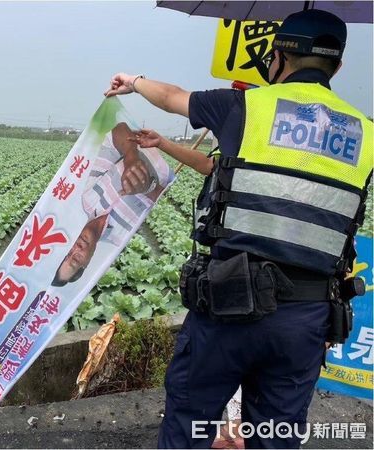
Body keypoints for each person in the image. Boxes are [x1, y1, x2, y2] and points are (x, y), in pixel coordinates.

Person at [105, 9, 372, 449]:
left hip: (231, 307)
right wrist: (167, 145)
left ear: (278, 58)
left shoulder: (244, 106)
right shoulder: (365, 134)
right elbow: (223, 169)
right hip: (306, 319)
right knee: (275, 434)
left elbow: (171, 96)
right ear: (337, 66)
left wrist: (132, 80)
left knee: (190, 424)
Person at [52, 122, 173, 286]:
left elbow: (119, 130)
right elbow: (165, 204)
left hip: (151, 138)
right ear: (86, 264)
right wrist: (147, 187)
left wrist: (131, 157)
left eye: (67, 254)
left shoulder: (88, 196)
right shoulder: (122, 237)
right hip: (175, 158)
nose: (76, 250)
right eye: (75, 261)